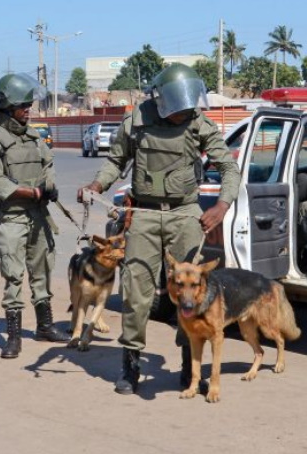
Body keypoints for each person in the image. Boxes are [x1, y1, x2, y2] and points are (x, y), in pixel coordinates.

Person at [79, 63, 239, 395]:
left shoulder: (198, 123)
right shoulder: (136, 121)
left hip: (185, 216)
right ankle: (131, 366)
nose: (186, 111)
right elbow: (115, 161)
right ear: (163, 100)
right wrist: (97, 184)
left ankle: (188, 368)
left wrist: (222, 206)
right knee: (136, 294)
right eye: (179, 106)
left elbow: (228, 166)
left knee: (190, 295)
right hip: (145, 215)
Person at [0, 73, 70, 359]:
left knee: (42, 269)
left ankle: (44, 326)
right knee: (13, 274)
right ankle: (14, 337)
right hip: (13, 217)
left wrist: (50, 186)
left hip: (39, 215)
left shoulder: (33, 136)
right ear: (7, 108)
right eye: (23, 105)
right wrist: (32, 193)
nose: (29, 109)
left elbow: (48, 163)